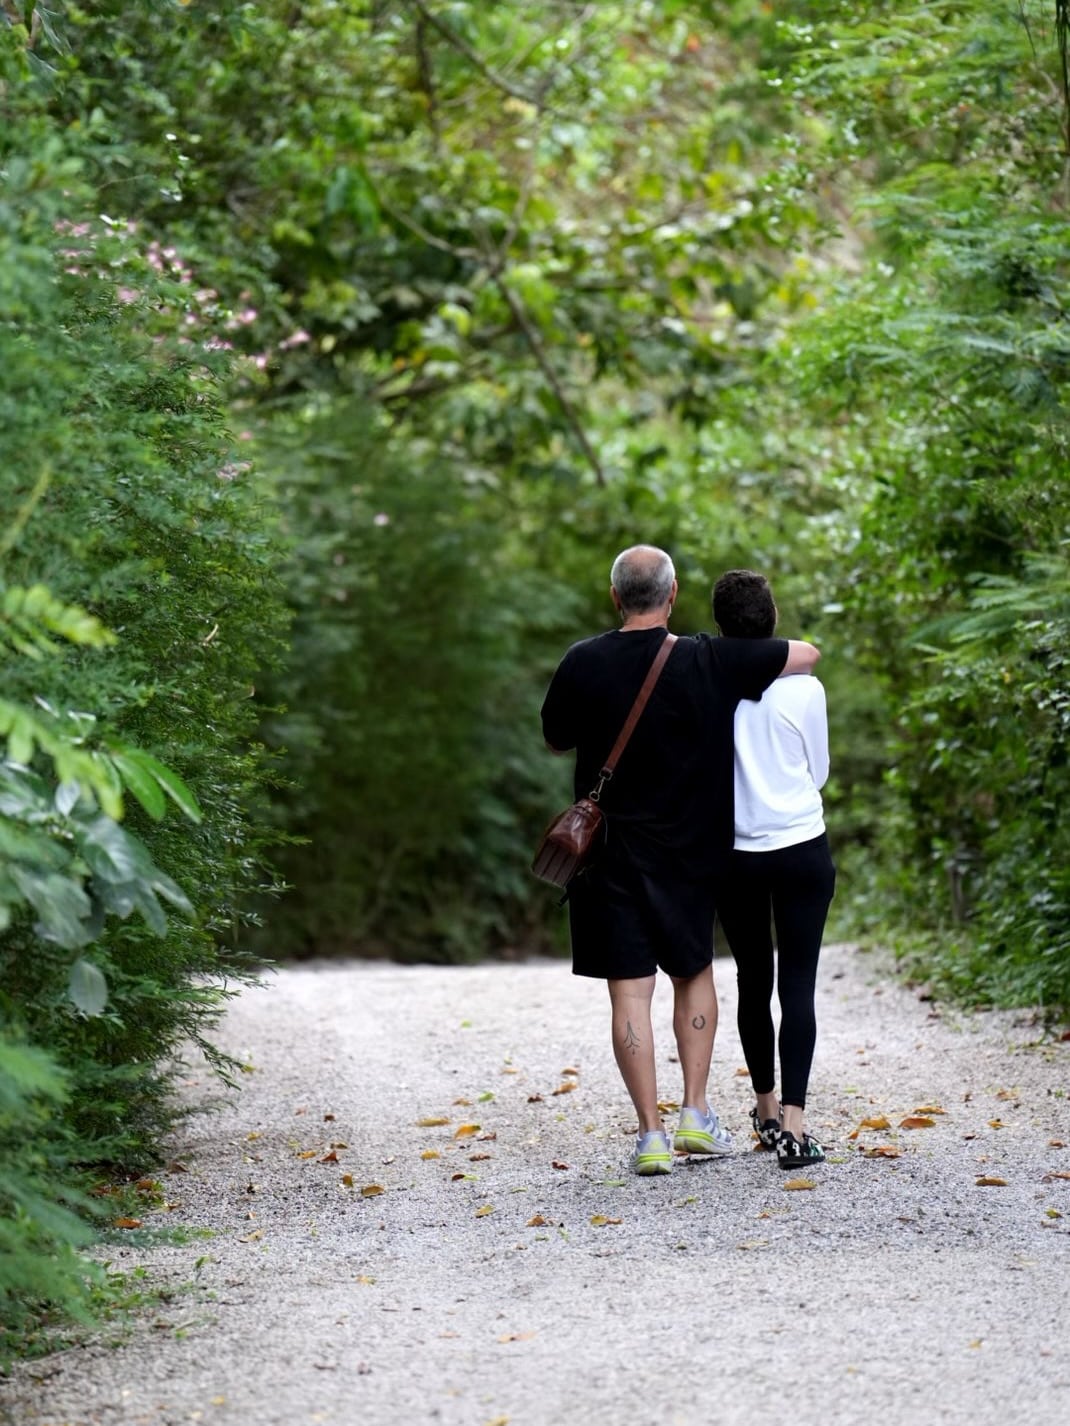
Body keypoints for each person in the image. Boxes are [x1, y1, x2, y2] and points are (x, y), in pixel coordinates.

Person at [540, 546, 820, 1175]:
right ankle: (696, 1113)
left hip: (608, 857)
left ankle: (650, 1135)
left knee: (628, 995)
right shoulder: (705, 657)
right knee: (693, 976)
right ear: (672, 597)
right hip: (690, 855)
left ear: (615, 597)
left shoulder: (581, 661)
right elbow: (801, 654)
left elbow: (556, 738)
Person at [711, 569, 836, 1170]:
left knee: (753, 982)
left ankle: (762, 1113)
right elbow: (819, 773)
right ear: (774, 619)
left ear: (719, 626)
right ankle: (796, 1123)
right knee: (799, 984)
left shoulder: (708, 686)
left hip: (735, 854)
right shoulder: (805, 689)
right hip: (800, 847)